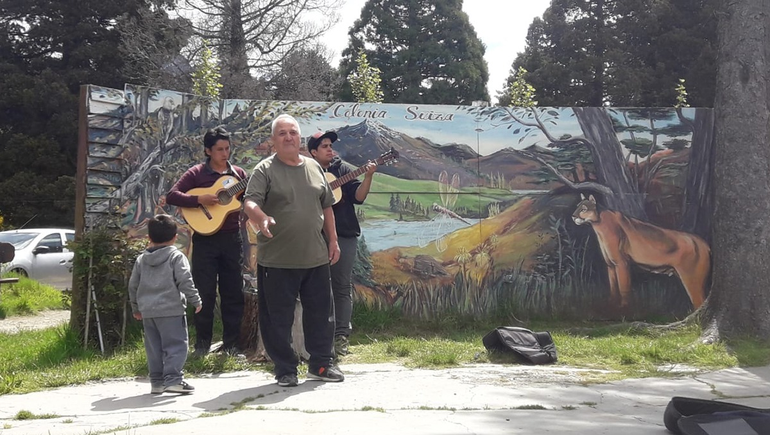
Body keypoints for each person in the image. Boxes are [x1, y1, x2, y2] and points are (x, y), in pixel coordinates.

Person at [243, 114, 344, 387]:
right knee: (277, 319)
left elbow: (327, 205)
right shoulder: (265, 169)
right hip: (277, 260)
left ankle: (321, 365)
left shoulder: (314, 167)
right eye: (282, 133)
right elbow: (249, 202)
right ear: (274, 140)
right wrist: (261, 218)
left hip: (315, 256)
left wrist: (332, 240)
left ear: (299, 138)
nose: (288, 137)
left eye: (293, 132)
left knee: (322, 316)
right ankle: (285, 369)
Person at [166, 127, 247, 357]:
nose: (225, 153)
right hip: (205, 240)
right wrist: (199, 198)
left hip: (232, 240)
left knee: (233, 293)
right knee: (205, 293)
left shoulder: (239, 175)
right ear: (208, 151)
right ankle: (202, 345)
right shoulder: (196, 173)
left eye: (227, 148)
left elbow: (250, 197)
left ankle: (232, 346)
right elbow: (173, 195)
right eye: (220, 149)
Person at [307, 130, 376, 357]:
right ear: (313, 152)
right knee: (314, 286)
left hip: (344, 234)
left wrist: (368, 176)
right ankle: (316, 335)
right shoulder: (305, 171)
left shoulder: (342, 170)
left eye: (330, 145)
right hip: (313, 235)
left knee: (341, 286)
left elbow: (359, 197)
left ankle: (341, 336)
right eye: (324, 146)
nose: (330, 149)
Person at [128, 214, 202, 395]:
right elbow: (185, 280)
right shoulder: (176, 257)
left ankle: (157, 382)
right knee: (176, 345)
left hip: (148, 312)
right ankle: (174, 380)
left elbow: (133, 285)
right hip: (171, 310)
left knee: (154, 348)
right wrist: (196, 300)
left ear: (149, 237)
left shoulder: (141, 259)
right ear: (175, 237)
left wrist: (136, 308)